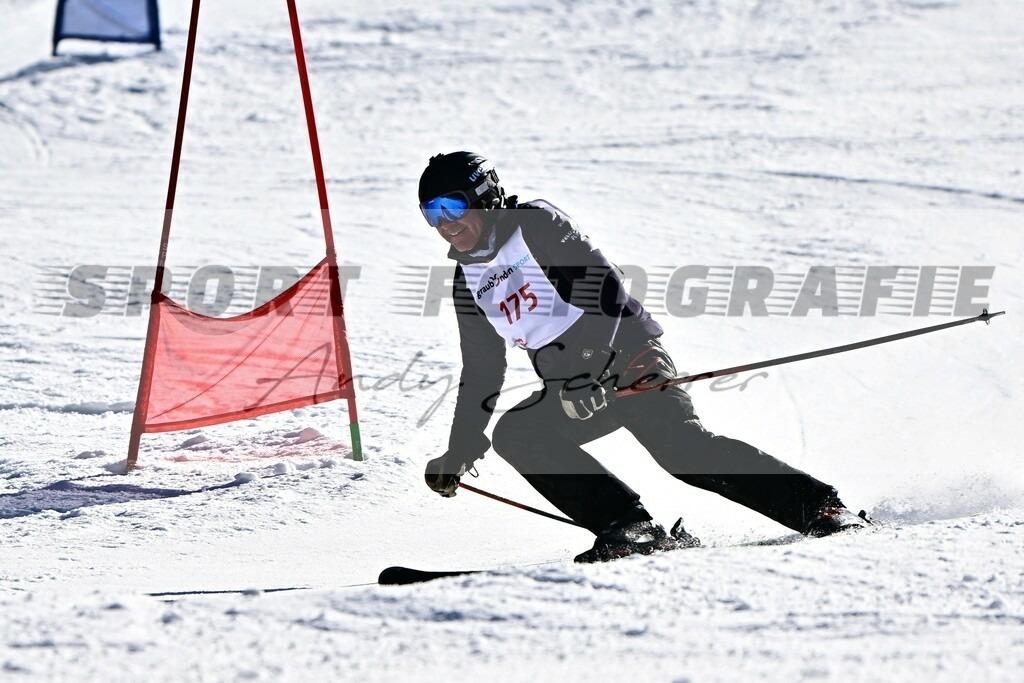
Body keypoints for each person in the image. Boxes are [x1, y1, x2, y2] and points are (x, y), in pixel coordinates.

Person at [419, 151, 869, 563]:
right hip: (574, 386)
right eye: (431, 213)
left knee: (682, 453)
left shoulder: (535, 224)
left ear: (485, 197)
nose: (445, 223)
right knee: (519, 433)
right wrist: (460, 448)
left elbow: (605, 287)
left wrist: (587, 368)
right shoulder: (467, 281)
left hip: (627, 355)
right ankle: (630, 528)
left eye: (452, 207)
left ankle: (822, 508)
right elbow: (482, 370)